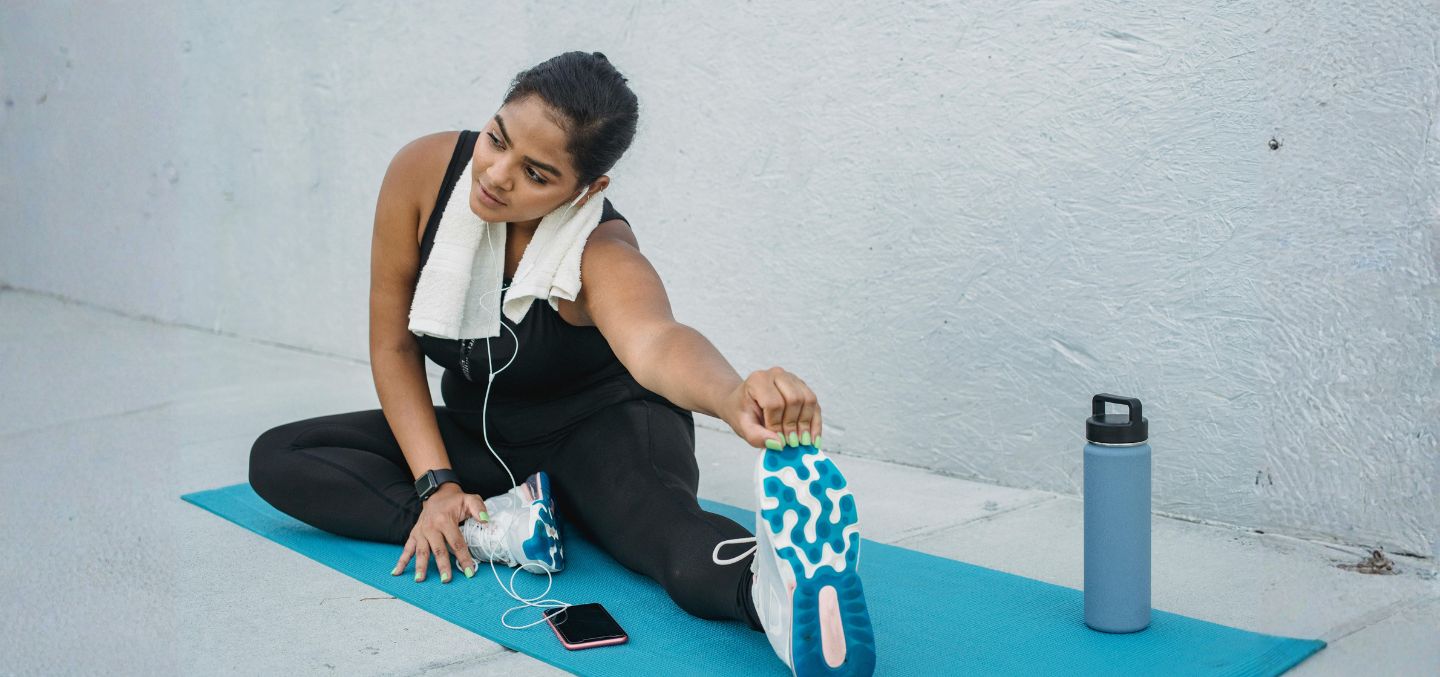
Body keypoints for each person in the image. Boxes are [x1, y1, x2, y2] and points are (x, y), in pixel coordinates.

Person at [248, 51, 873, 675]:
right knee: (281, 457)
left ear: (587, 189)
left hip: (604, 433)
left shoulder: (600, 249)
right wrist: (436, 486)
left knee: (667, 541)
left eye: (537, 173)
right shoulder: (422, 174)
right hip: (486, 439)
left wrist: (735, 395)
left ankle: (774, 593)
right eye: (496, 138)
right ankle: (495, 528)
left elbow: (656, 340)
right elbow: (393, 346)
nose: (496, 174)